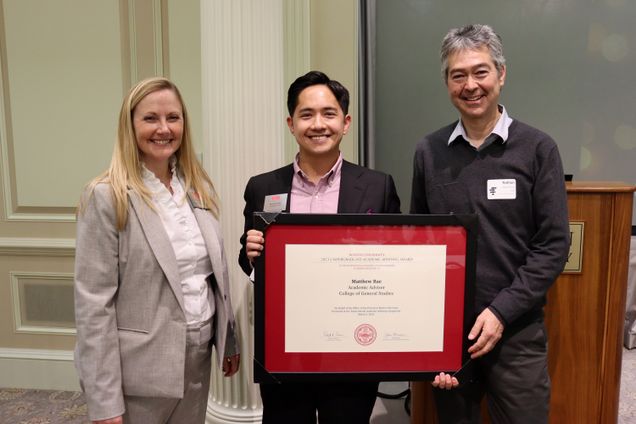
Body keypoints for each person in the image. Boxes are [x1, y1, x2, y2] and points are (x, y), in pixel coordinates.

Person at [410, 24, 570, 423]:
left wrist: (500, 313)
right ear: (447, 82)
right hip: (450, 336)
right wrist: (432, 337)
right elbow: (418, 245)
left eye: (480, 71)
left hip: (516, 331)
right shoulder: (428, 152)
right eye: (457, 75)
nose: (470, 85)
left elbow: (552, 246)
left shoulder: (538, 149)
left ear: (501, 74)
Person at [74, 77, 240, 424]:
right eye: (150, 118)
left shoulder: (196, 187)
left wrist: (228, 338)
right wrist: (105, 403)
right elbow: (94, 306)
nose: (163, 129)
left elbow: (210, 275)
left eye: (173, 118)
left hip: (197, 357)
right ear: (130, 125)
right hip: (140, 372)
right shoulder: (107, 196)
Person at [238, 71, 401, 424]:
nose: (318, 124)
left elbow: (397, 264)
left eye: (328, 114)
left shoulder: (377, 186)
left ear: (346, 123)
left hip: (352, 347)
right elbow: (247, 260)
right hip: (285, 346)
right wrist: (251, 252)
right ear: (291, 123)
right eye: (306, 114)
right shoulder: (263, 187)